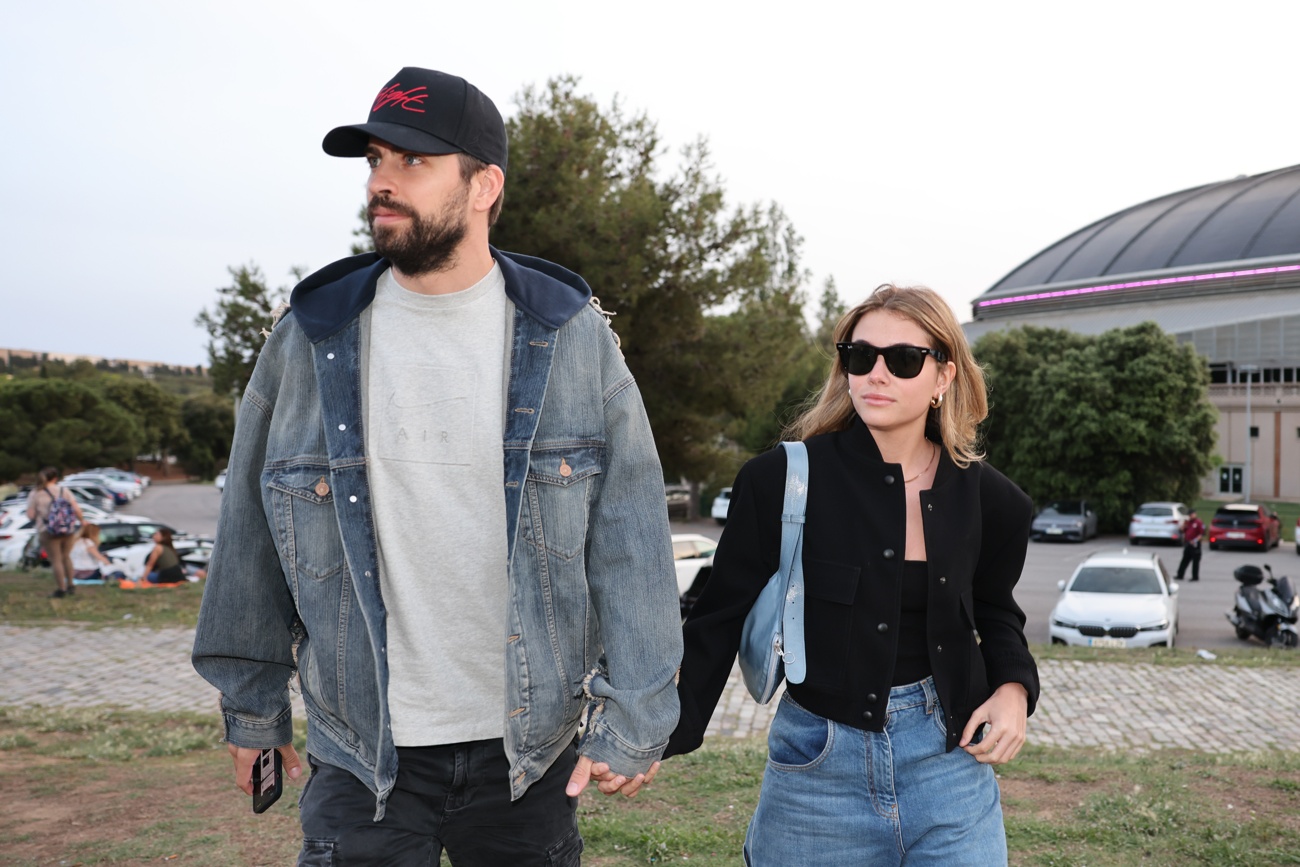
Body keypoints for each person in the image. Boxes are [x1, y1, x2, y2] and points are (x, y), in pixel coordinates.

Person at [192, 67, 682, 865]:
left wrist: (638, 712)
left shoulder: (570, 335)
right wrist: (252, 709)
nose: (381, 183)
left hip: (527, 750)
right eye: (375, 161)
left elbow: (629, 535)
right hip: (363, 748)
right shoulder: (310, 335)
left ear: (484, 184)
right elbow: (251, 527)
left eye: (411, 162)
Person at [665, 284, 1040, 865]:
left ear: (944, 377)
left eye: (903, 359)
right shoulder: (778, 481)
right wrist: (652, 736)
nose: (876, 374)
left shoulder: (995, 501)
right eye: (859, 356)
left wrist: (1014, 691)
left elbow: (994, 611)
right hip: (817, 768)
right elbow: (718, 616)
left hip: (950, 763)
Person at [25, 467, 85, 598]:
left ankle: (61, 589)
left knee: (56, 560)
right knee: (66, 557)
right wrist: (82, 521)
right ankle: (71, 585)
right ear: (56, 478)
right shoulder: (64, 490)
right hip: (68, 530)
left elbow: (30, 515)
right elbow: (76, 509)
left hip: (48, 531)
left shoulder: (36, 493)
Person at [1175, 507, 1205, 581]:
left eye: (1191, 514)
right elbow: (1182, 531)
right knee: (1184, 560)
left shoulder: (1198, 522)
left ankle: (1195, 577)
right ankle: (1180, 575)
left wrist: (1195, 540)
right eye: (1189, 515)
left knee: (1195, 562)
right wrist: (1183, 526)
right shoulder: (1188, 522)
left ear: (1195, 514)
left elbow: (1201, 534)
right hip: (1188, 544)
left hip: (1195, 545)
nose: (1190, 516)